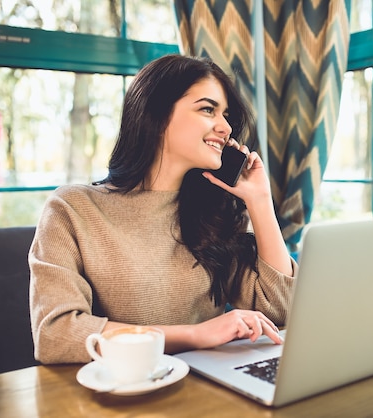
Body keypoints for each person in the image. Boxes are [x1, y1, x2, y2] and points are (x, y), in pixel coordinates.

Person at [29, 54, 297, 364]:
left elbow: (281, 313)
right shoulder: (71, 209)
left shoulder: (215, 212)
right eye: (208, 109)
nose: (225, 127)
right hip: (122, 395)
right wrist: (193, 335)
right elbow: (56, 335)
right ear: (155, 116)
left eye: (226, 115)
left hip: (212, 390)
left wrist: (260, 201)